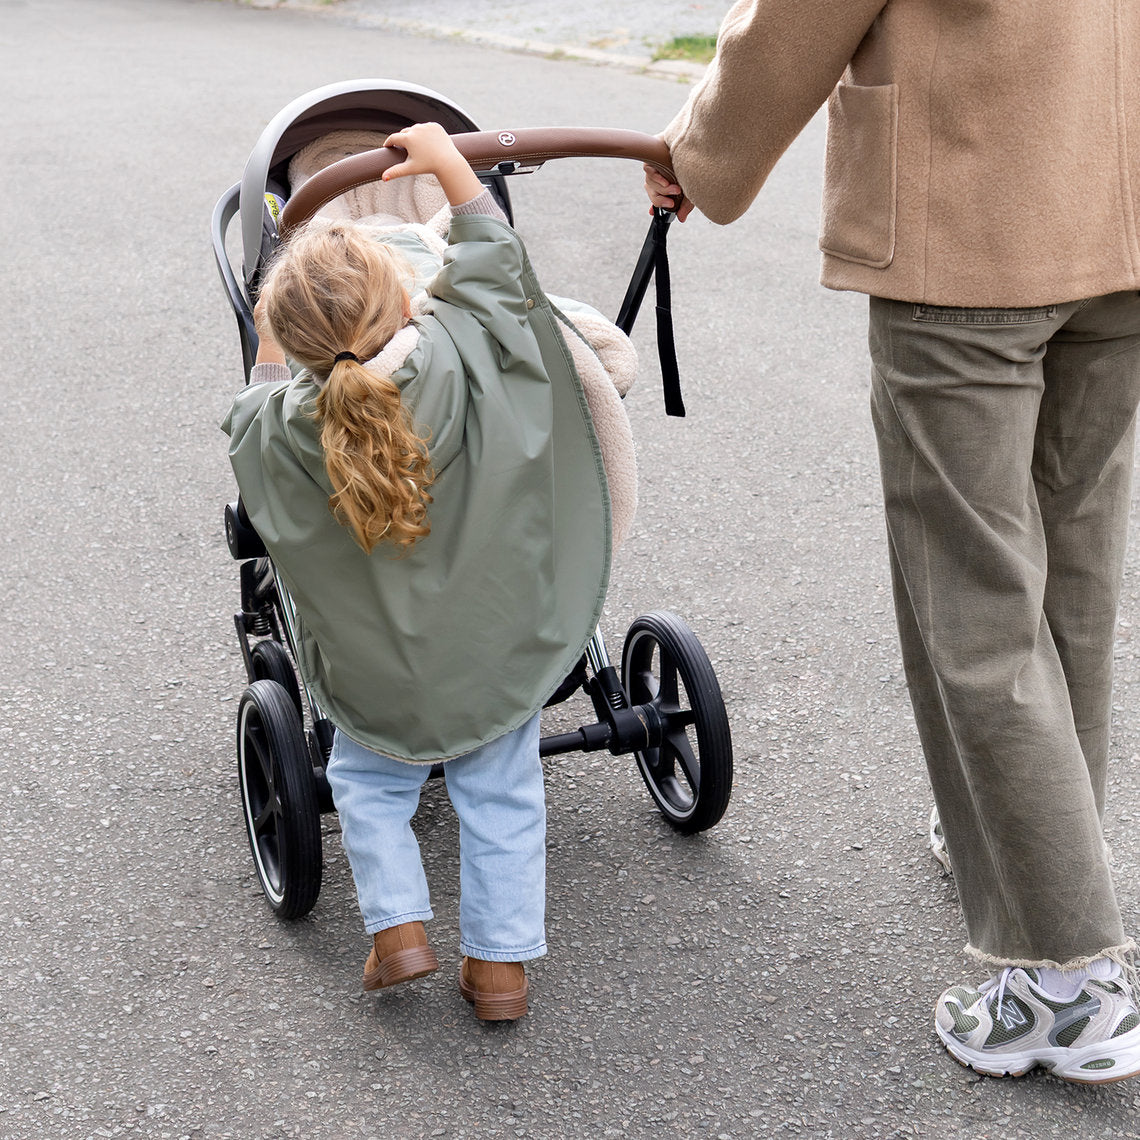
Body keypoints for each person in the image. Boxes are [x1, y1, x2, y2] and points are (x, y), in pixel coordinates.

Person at [645, 0, 1140, 1082]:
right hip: (1121, 209)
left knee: (974, 603)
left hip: (970, 214)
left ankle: (1065, 978)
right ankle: (1046, 852)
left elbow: (799, 16)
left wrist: (701, 157)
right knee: (1071, 570)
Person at [224, 122, 623, 1021]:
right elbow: (496, 267)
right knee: (502, 794)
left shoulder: (280, 428)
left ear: (292, 344)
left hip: (379, 671)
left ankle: (398, 931)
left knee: (366, 783)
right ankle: (499, 974)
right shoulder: (469, 349)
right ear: (408, 301)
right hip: (496, 648)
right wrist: (450, 169)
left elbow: (251, 415)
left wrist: (267, 345)